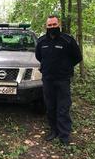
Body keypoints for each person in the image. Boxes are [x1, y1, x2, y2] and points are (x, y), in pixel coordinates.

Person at [35, 16, 82, 145]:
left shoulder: (68, 40)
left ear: (59, 24)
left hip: (63, 80)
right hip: (48, 79)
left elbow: (78, 57)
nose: (52, 27)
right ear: (46, 26)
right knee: (50, 106)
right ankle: (53, 131)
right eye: (49, 25)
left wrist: (65, 67)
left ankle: (64, 135)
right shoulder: (41, 41)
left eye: (54, 24)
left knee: (63, 107)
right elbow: (39, 56)